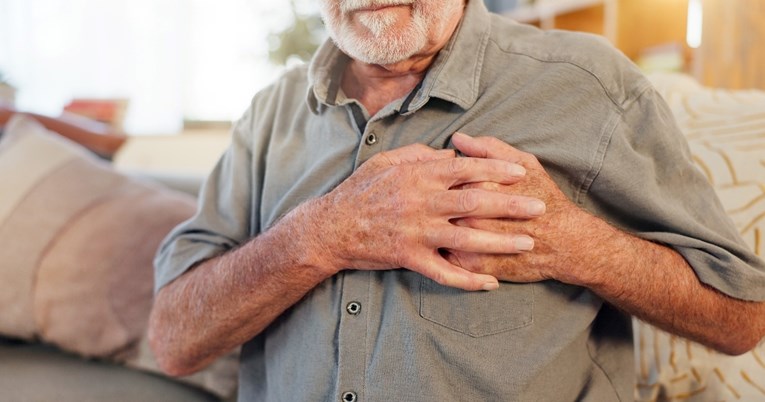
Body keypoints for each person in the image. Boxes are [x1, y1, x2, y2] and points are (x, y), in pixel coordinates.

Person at [148, 0, 765, 400]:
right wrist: (318, 235)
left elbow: (743, 316)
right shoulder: (269, 113)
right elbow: (175, 341)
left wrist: (573, 243)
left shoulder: (589, 84)